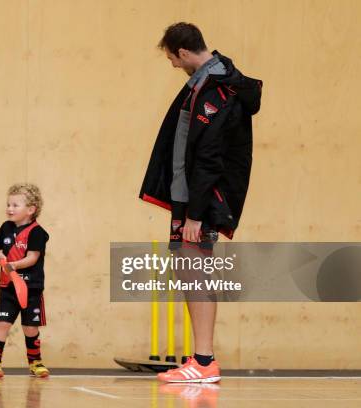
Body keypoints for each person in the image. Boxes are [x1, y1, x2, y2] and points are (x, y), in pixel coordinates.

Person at [139, 22, 263, 382]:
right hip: (191, 198)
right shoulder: (204, 84)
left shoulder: (217, 88)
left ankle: (205, 362)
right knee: (188, 269)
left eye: (172, 60)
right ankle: (202, 360)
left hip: (203, 199)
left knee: (195, 269)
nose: (174, 66)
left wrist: (195, 213)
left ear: (182, 52)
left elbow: (210, 155)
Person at [0, 183, 50, 378]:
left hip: (31, 289)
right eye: (8, 204)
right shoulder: (5, 228)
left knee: (30, 327)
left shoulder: (38, 232)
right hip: (8, 287)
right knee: (2, 324)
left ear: (31, 210)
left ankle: (35, 362)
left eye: (15, 205)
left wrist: (13, 265)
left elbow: (32, 258)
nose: (9, 209)